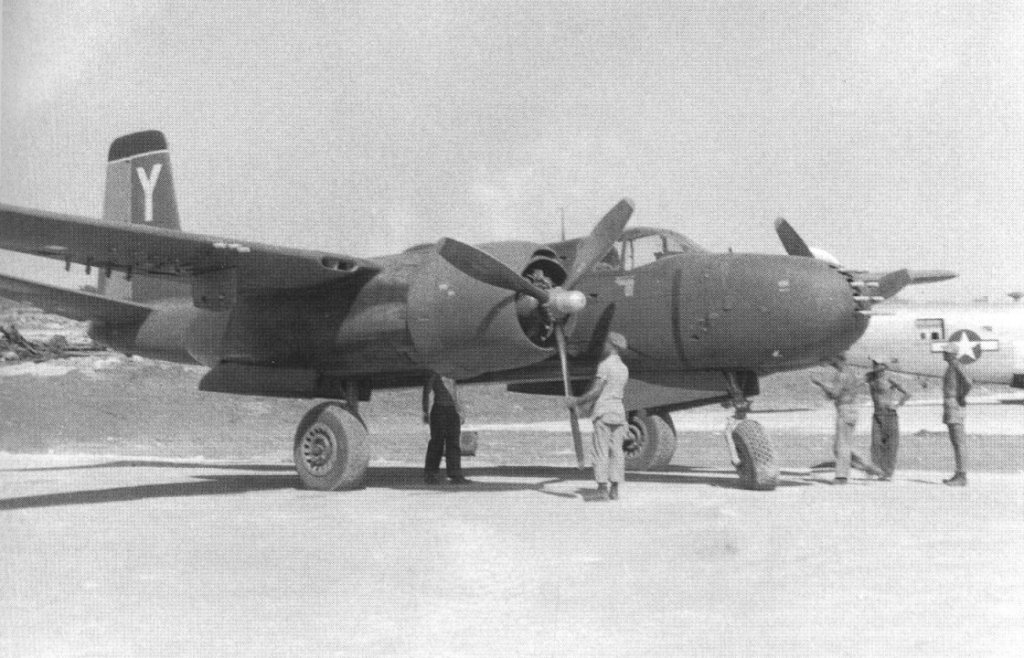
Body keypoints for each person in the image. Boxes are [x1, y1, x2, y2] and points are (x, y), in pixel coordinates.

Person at [566, 332, 630, 501]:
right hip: (619, 413)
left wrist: (577, 401)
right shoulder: (624, 368)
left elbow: (596, 390)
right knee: (616, 451)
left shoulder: (605, 365)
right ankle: (614, 489)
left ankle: (602, 489)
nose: (603, 346)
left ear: (611, 346)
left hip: (604, 412)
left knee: (600, 451)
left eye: (605, 344)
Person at [810, 353, 881, 484]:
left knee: (841, 446)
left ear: (838, 360)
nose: (830, 363)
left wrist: (820, 383)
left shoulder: (841, 375)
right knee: (841, 446)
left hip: (844, 410)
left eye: (832, 360)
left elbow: (834, 394)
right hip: (852, 410)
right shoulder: (851, 373)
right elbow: (860, 382)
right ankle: (867, 466)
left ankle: (842, 477)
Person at [866, 359, 911, 480]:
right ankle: (876, 470)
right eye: (874, 364)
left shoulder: (890, 378)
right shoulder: (870, 378)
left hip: (889, 414)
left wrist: (898, 405)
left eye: (878, 364)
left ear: (884, 366)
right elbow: (856, 382)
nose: (875, 366)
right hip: (877, 414)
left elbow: (907, 393)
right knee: (876, 444)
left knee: (890, 445)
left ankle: (887, 473)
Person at [422, 373, 469, 485]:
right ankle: (430, 474)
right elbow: (426, 391)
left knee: (454, 443)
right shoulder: (434, 373)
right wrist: (425, 411)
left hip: (452, 410)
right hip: (439, 409)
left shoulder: (451, 373)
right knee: (437, 443)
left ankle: (455, 474)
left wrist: (460, 410)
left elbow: (455, 392)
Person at [941, 348, 972, 486]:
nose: (943, 353)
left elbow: (968, 382)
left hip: (954, 405)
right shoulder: (952, 366)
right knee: (956, 442)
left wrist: (961, 396)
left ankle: (962, 476)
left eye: (946, 352)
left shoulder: (956, 365)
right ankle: (959, 473)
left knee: (959, 442)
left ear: (952, 353)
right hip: (950, 404)